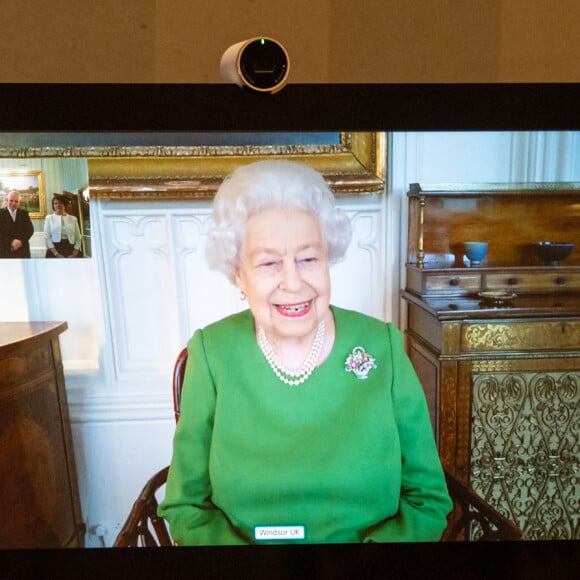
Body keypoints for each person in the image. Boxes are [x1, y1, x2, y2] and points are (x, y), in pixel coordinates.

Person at [158, 160, 452, 545]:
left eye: (308, 259)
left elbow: (428, 501)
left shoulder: (384, 347)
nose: (293, 283)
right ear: (238, 274)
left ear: (328, 258)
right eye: (268, 263)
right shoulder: (212, 354)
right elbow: (186, 508)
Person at [44, 194, 82, 258]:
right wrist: (56, 254)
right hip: (54, 249)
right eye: (55, 203)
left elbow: (78, 238)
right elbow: (47, 237)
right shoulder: (49, 218)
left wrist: (75, 253)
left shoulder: (73, 219)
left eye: (60, 203)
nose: (58, 205)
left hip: (71, 249)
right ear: (53, 206)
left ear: (64, 204)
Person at [0, 191, 34, 259]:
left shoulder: (24, 213)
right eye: (11, 200)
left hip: (23, 251)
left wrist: (21, 242)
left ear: (19, 202)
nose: (13, 203)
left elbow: (30, 230)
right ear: (7, 200)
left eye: (16, 201)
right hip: (5, 252)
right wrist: (11, 243)